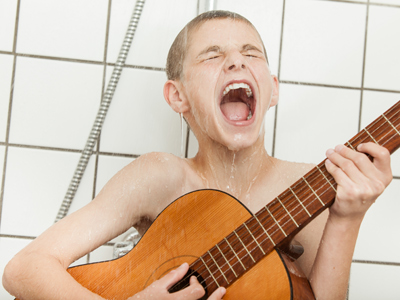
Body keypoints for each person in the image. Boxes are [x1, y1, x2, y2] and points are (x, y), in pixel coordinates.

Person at [2, 10, 392, 300]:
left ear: (272, 90)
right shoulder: (161, 176)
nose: (236, 61)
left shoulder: (309, 187)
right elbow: (24, 269)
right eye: (211, 55)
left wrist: (348, 216)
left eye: (251, 53)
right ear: (179, 96)